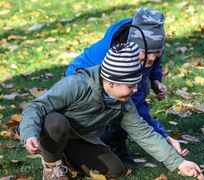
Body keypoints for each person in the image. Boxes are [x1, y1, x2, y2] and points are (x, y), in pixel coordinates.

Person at [19, 42, 204, 179]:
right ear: (111, 82)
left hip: (81, 138)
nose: (135, 90)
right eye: (130, 85)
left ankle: (65, 157)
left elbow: (144, 134)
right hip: (56, 129)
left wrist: (179, 163)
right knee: (54, 122)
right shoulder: (76, 85)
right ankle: (52, 166)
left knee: (114, 169)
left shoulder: (124, 103)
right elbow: (37, 106)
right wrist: (30, 134)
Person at [65, 8, 187, 162]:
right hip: (82, 77)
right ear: (132, 48)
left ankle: (116, 141)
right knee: (117, 104)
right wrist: (163, 136)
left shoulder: (148, 45)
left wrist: (156, 79)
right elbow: (136, 105)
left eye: (154, 57)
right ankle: (86, 142)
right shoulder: (120, 57)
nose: (149, 62)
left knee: (140, 89)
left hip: (113, 81)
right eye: (144, 58)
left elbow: (155, 63)